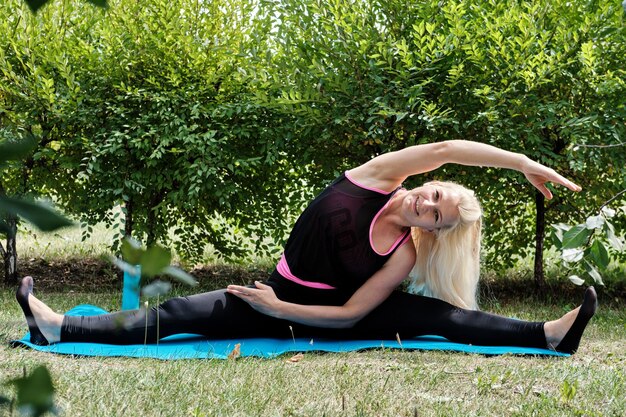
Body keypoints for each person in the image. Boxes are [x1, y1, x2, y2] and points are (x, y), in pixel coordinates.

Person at [16, 140, 597, 354]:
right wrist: (519, 161)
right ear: (429, 182)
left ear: (437, 230)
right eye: (437, 195)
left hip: (316, 313)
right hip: (280, 291)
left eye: (440, 217)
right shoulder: (377, 175)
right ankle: (59, 327)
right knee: (175, 315)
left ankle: (548, 334)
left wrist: (277, 310)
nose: (431, 205)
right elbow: (449, 147)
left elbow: (347, 315)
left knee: (440, 317)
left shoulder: (405, 253)